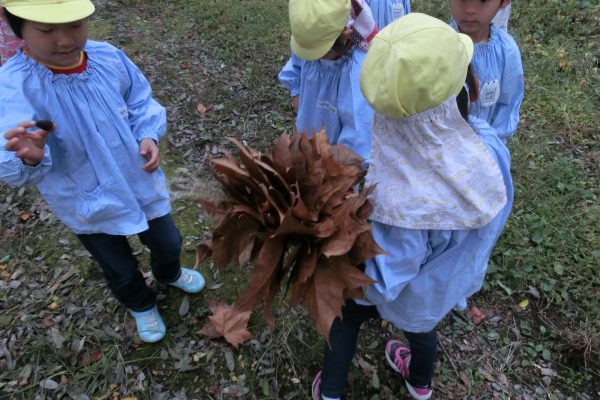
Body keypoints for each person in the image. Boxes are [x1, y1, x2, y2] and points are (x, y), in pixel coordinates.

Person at [311, 13, 514, 400]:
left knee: (345, 317)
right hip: (441, 282)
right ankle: (420, 384)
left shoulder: (397, 202)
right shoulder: (487, 146)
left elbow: (383, 280)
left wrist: (342, 265)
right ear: (467, 84)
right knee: (422, 329)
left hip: (406, 289)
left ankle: (331, 391)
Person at [0, 0, 205, 343]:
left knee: (168, 241)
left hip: (136, 176)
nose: (65, 41)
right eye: (48, 31)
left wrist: (148, 134)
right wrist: (31, 157)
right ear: (16, 26)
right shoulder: (15, 85)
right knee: (118, 265)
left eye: (75, 25)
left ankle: (168, 272)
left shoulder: (107, 57)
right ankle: (140, 303)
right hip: (83, 196)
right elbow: (13, 147)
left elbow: (140, 99)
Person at [278, 0, 407, 165]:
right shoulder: (311, 40)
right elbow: (295, 68)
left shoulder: (358, 73)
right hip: (310, 136)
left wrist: (334, 170)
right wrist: (298, 101)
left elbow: (356, 134)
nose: (310, 58)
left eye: (317, 52)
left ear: (346, 34)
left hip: (337, 163)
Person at [449, 0, 524, 143]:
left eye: (483, 1)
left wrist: (492, 146)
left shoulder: (507, 50)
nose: (470, 9)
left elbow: (507, 105)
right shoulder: (438, 46)